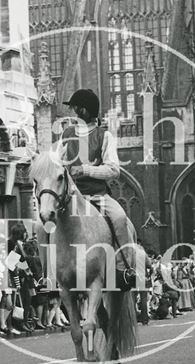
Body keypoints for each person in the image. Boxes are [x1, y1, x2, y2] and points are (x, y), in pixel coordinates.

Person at [58, 88, 137, 276]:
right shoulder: (67, 134)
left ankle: (123, 269)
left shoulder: (104, 136)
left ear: (83, 111)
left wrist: (85, 169)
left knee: (119, 217)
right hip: (70, 197)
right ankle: (48, 275)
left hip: (97, 196)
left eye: (75, 110)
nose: (73, 115)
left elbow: (113, 170)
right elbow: (57, 162)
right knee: (41, 224)